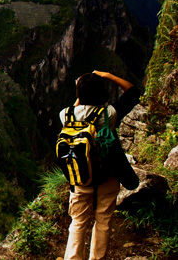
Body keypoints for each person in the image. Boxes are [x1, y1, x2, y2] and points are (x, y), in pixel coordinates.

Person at [60, 71, 140, 260]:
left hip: (79, 177)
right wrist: (108, 75)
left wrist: (79, 95)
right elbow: (133, 92)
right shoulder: (109, 114)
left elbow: (74, 109)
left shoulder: (65, 114)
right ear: (102, 92)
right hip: (107, 176)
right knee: (103, 221)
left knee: (78, 222)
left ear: (79, 93)